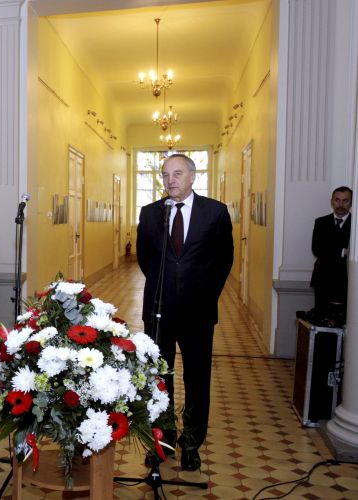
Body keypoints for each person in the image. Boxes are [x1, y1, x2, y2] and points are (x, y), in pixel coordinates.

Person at [137, 153, 233, 471]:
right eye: (165, 175)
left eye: (177, 173)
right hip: (158, 312)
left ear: (193, 176)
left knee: (197, 379)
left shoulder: (215, 212)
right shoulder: (150, 213)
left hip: (198, 313)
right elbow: (145, 259)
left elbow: (223, 260)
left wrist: (204, 293)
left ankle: (191, 443)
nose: (171, 180)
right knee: (159, 379)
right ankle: (162, 442)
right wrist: (164, 287)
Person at [310, 186, 352, 319]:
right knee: (321, 318)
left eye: (345, 200)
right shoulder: (321, 222)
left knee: (343, 320)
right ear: (331, 201)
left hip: (346, 281)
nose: (341, 204)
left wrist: (328, 249)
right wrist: (342, 251)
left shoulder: (356, 225)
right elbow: (317, 249)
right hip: (322, 279)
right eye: (337, 200)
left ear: (351, 202)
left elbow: (324, 250)